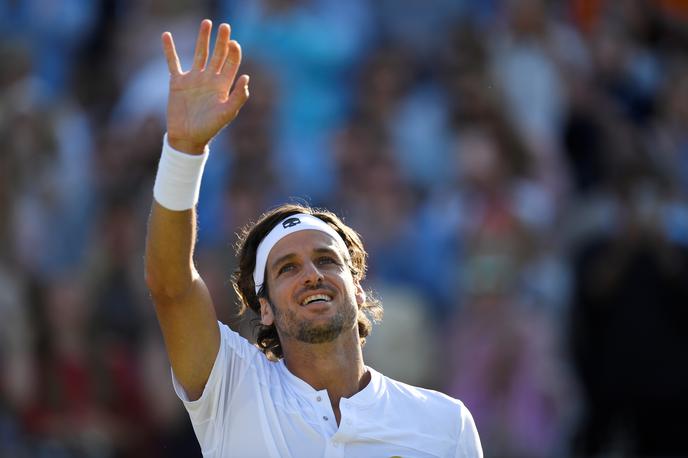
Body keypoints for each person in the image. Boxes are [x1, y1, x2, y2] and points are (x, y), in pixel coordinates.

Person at [144, 19, 483, 457]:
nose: (311, 275)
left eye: (327, 261)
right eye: (287, 268)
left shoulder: (445, 425)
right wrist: (184, 152)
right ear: (263, 308)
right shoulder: (232, 388)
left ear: (358, 289)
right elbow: (170, 285)